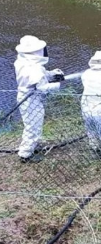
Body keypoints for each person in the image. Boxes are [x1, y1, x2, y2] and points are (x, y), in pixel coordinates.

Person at [14, 35, 65, 163]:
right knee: (33, 126)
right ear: (35, 52)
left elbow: (40, 75)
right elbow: (42, 87)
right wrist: (56, 85)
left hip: (27, 97)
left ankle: (31, 146)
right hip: (31, 100)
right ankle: (25, 155)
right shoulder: (33, 68)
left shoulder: (24, 62)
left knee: (33, 124)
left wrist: (52, 74)